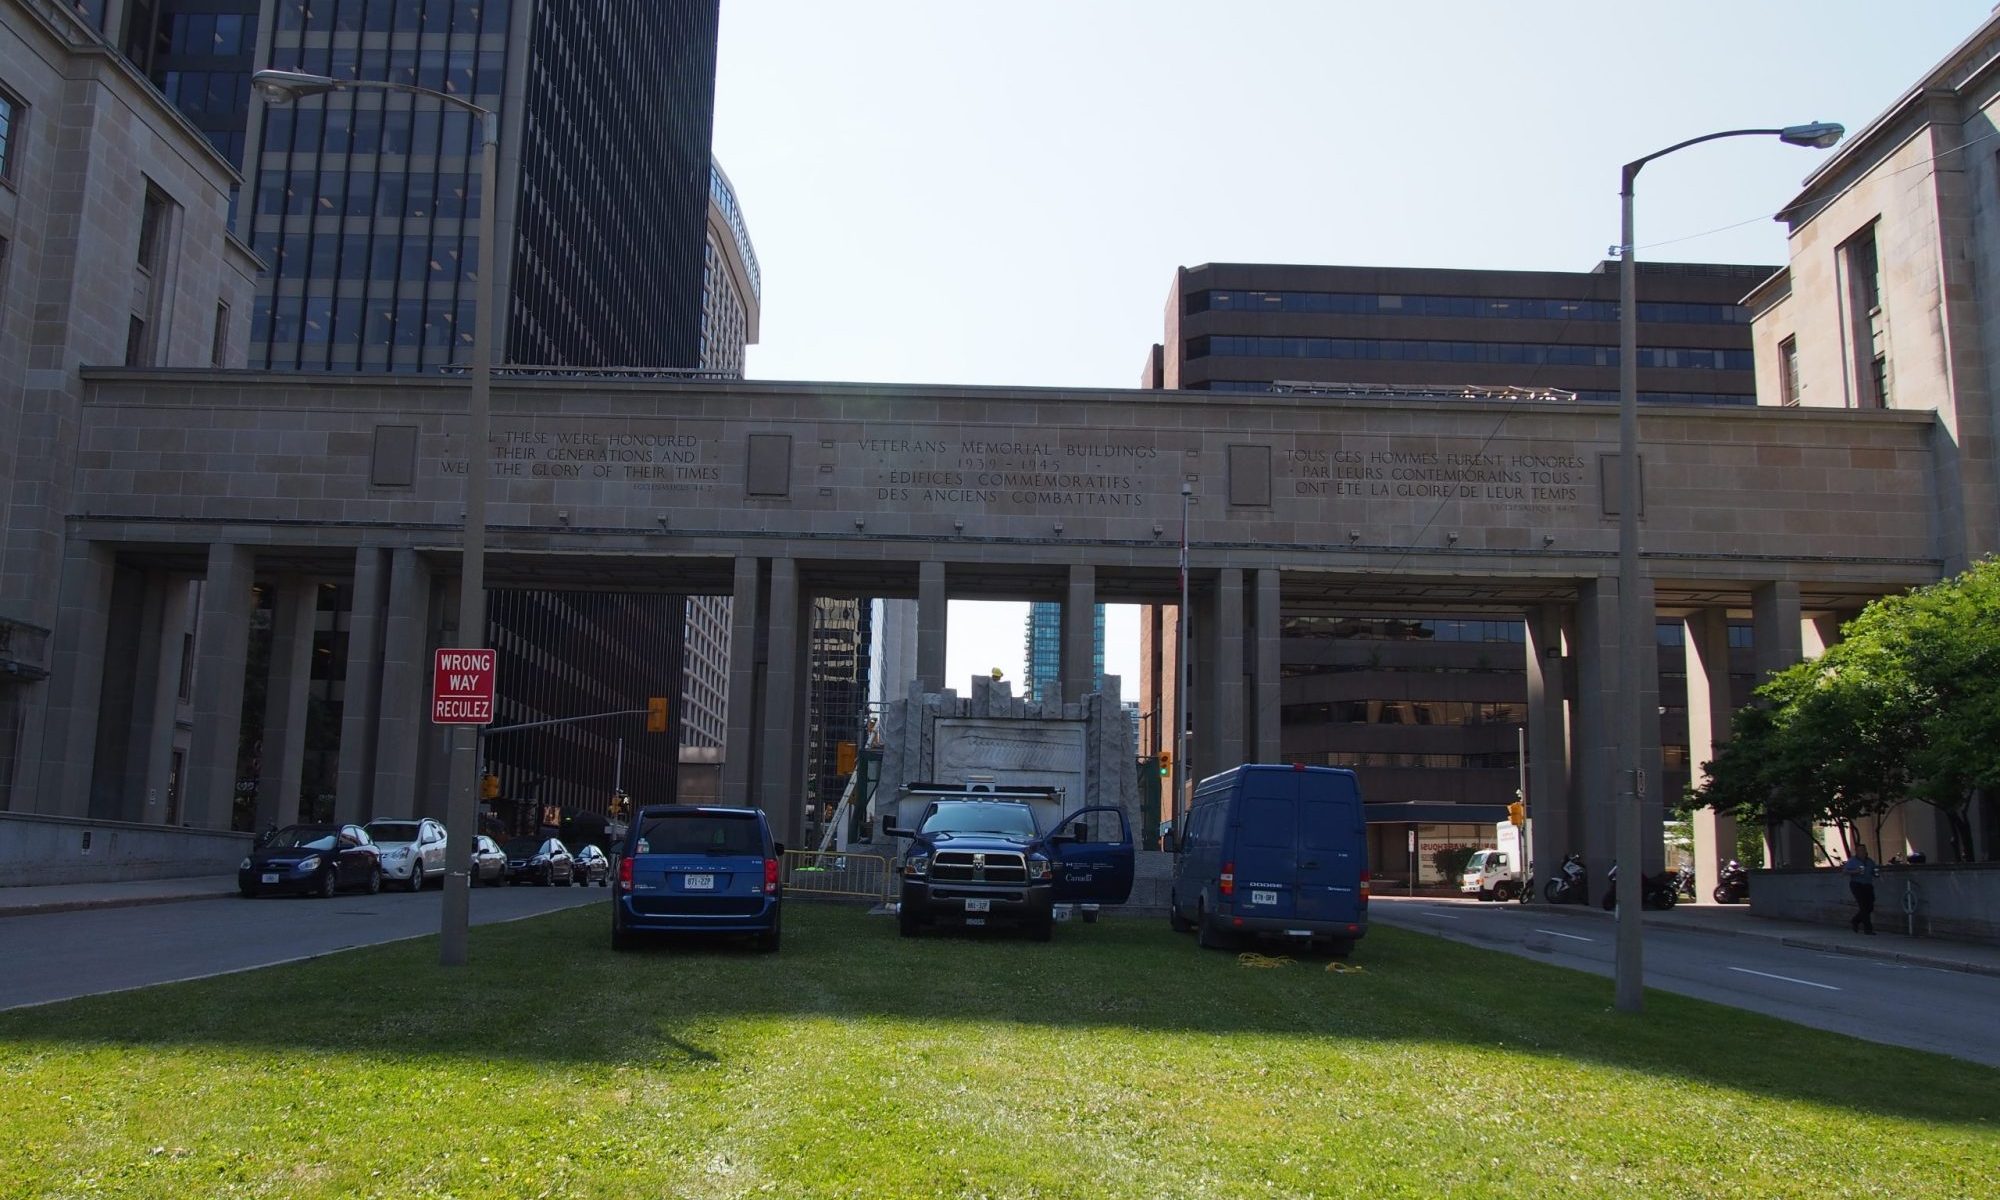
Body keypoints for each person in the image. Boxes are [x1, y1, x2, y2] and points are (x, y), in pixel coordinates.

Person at [1844, 846, 1878, 934]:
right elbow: (1845, 871)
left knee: (1869, 906)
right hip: (1857, 884)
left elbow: (1874, 870)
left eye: (1863, 850)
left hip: (1867, 884)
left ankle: (1856, 920)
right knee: (1863, 905)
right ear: (1857, 852)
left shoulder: (1870, 861)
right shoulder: (1852, 861)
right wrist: (1855, 871)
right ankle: (1868, 929)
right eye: (1859, 850)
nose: (1862, 852)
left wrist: (1876, 873)